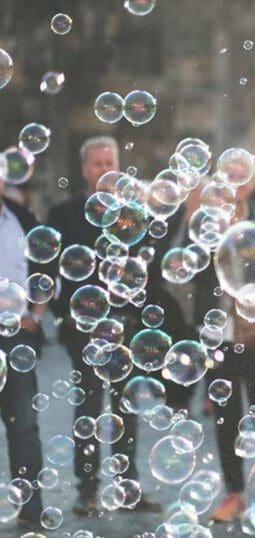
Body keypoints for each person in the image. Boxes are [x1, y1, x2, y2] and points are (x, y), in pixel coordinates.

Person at [47, 136, 161, 515]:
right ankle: (88, 490)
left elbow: (148, 268)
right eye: (96, 163)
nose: (103, 169)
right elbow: (51, 270)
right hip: (84, 327)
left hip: (126, 324)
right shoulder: (64, 213)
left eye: (109, 161)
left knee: (126, 409)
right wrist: (66, 317)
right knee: (90, 410)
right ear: (84, 170)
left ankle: (127, 489)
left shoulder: (133, 214)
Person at [179, 176, 255, 522]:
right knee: (226, 419)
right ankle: (235, 494)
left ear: (251, 186)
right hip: (218, 334)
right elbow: (183, 267)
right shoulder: (205, 227)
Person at [0, 177, 49, 529]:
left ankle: (30, 509)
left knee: (24, 425)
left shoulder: (21, 218)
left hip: (16, 335)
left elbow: (46, 272)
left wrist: (35, 315)